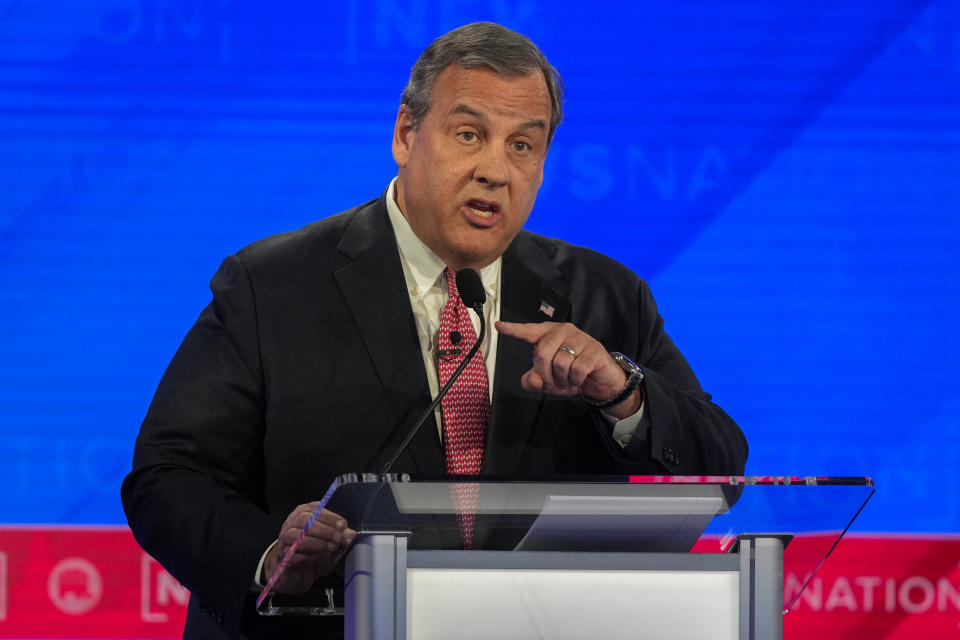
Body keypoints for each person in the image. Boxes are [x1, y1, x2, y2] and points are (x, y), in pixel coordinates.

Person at [121, 21, 748, 640]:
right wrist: (270, 558)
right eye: (469, 134)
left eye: (522, 146)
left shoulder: (605, 296)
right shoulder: (272, 285)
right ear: (405, 133)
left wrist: (625, 396)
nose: (495, 170)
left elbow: (722, 468)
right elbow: (169, 475)